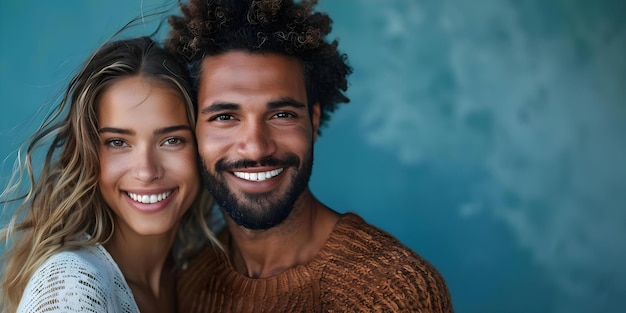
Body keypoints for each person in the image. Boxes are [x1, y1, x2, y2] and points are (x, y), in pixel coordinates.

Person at [166, 0, 454, 312]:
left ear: (313, 122)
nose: (257, 147)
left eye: (281, 114)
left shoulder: (393, 291)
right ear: (191, 131)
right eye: (224, 117)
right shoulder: (191, 280)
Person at [0, 35, 219, 313]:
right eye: (118, 142)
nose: (147, 171)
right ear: (88, 154)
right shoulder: (72, 288)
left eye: (171, 140)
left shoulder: (197, 274)